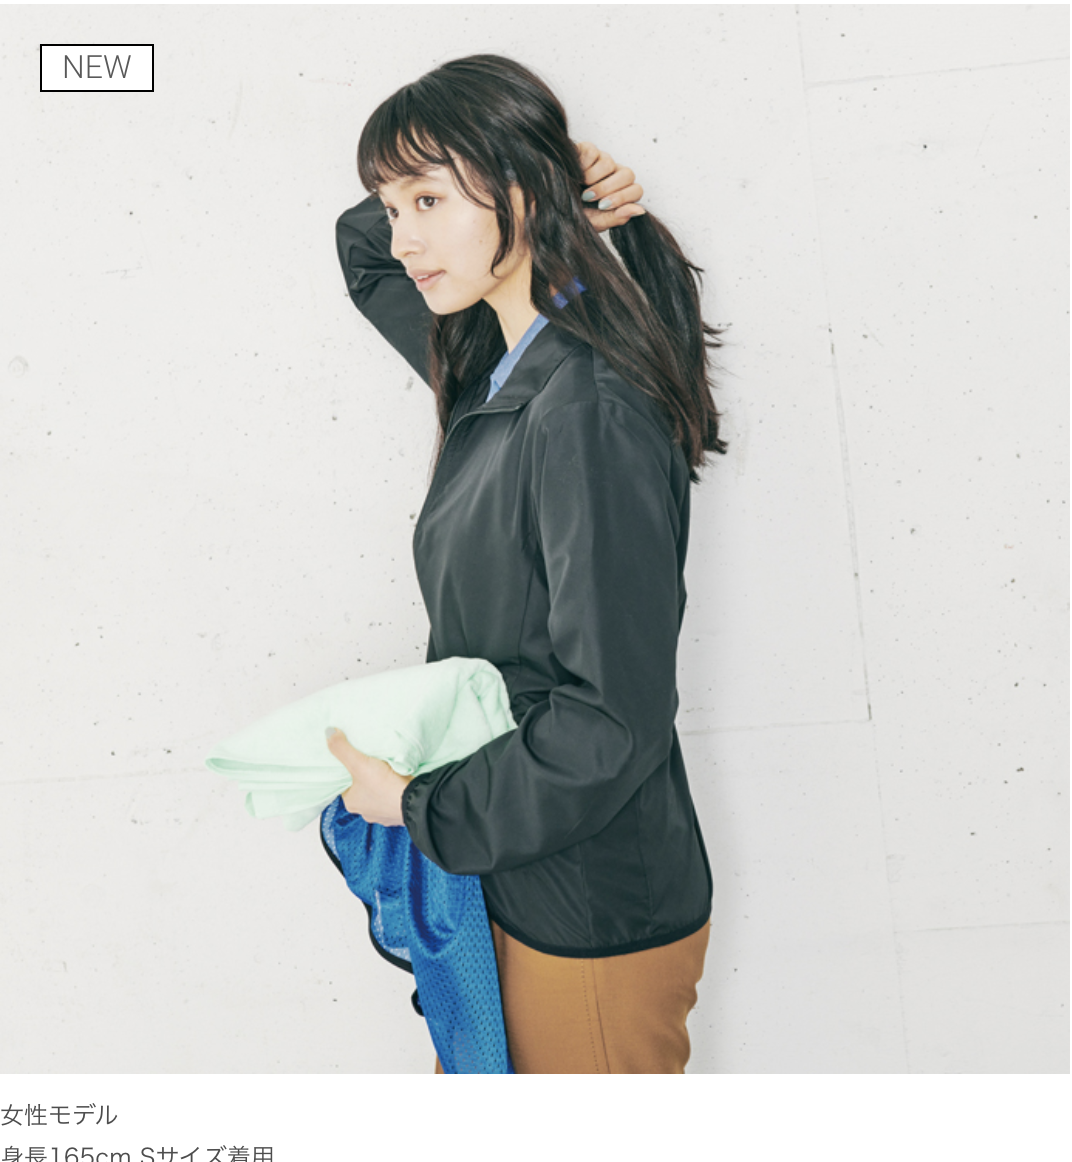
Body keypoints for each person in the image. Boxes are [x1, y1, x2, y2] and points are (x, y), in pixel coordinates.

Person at [326, 53, 726, 1074]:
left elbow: (609, 720)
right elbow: (365, 256)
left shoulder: (585, 407)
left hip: (586, 910)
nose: (402, 235)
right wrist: (554, 173)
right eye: (393, 203)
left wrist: (415, 807)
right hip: (512, 876)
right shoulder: (490, 366)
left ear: (518, 191)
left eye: (427, 199)